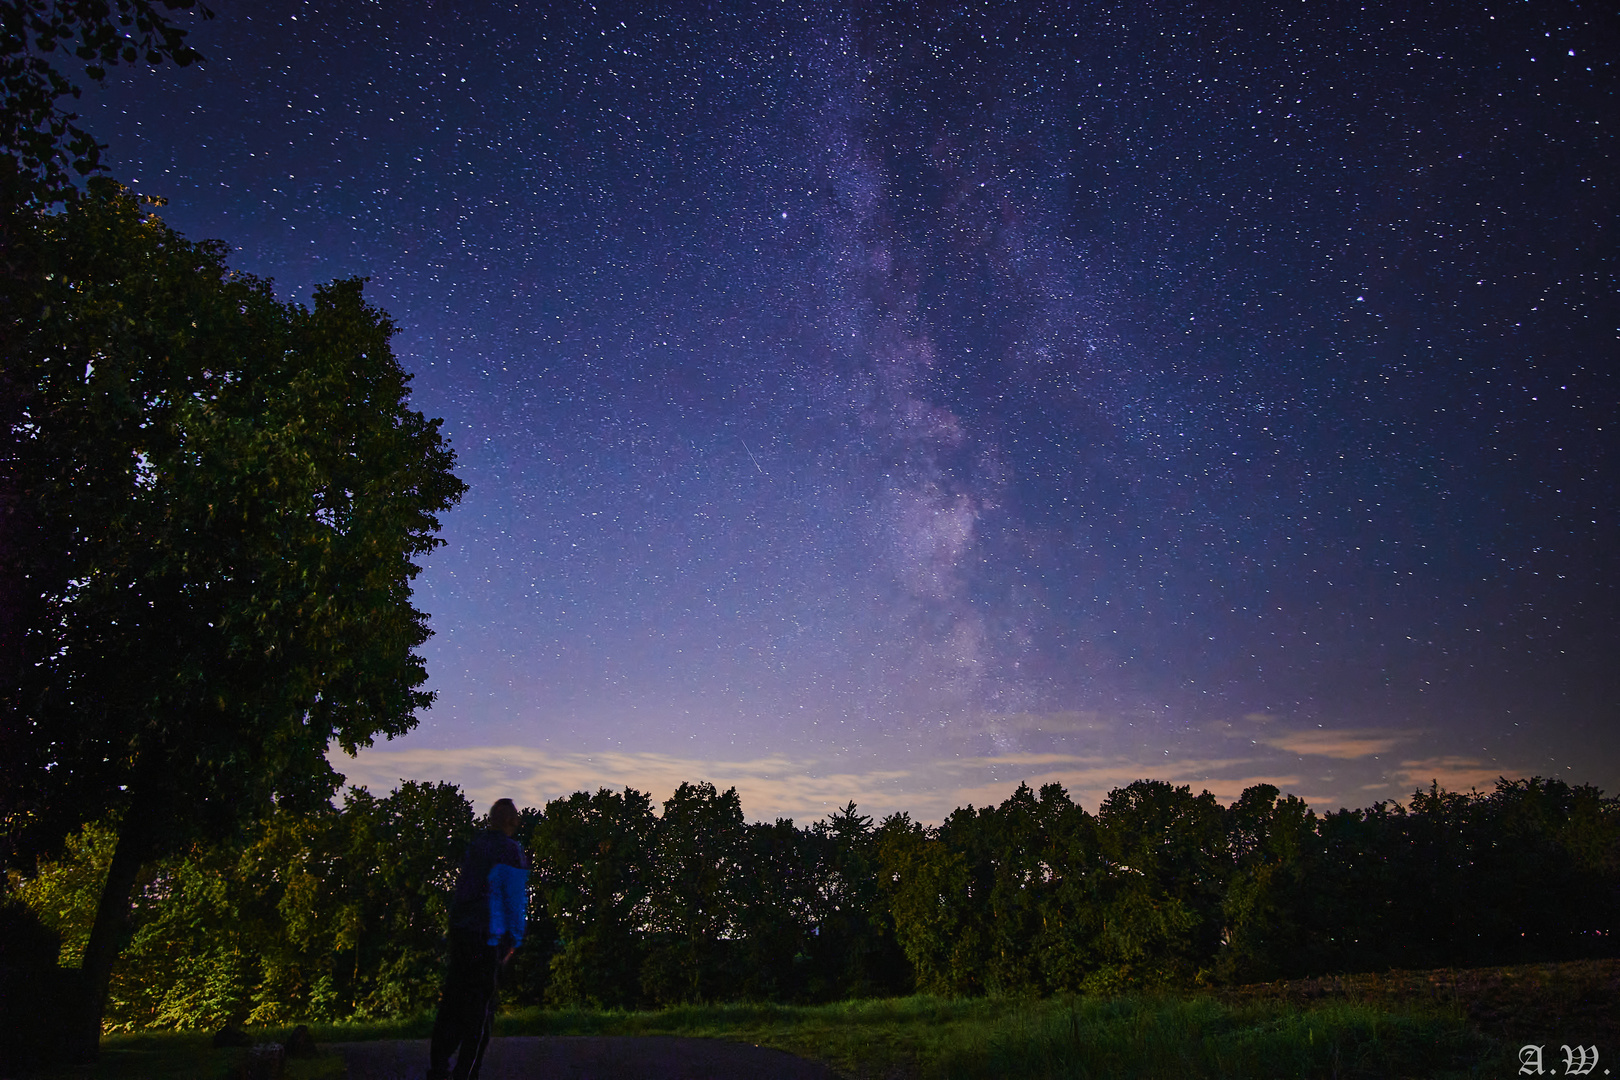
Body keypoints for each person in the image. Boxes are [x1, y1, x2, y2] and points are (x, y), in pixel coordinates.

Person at [427, 798, 528, 1080]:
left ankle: (438, 1066)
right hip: (487, 938)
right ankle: (467, 1071)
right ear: (511, 821)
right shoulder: (510, 849)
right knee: (479, 1007)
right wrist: (514, 940)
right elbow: (514, 898)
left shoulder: (476, 846)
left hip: (462, 934)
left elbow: (462, 891)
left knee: (453, 1000)